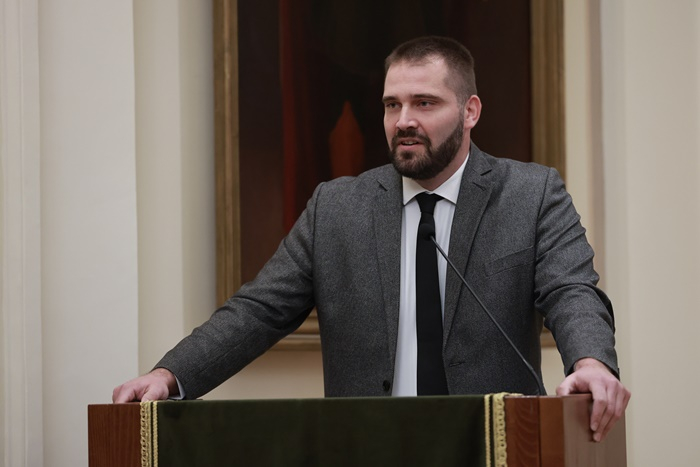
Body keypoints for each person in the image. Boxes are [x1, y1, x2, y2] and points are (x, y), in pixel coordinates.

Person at [113, 36, 630, 442]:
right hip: (367, 447)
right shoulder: (336, 208)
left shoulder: (531, 194)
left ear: (470, 111)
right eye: (391, 105)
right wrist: (170, 375)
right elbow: (258, 311)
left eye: (424, 103)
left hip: (493, 445)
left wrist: (590, 363)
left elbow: (571, 291)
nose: (404, 121)